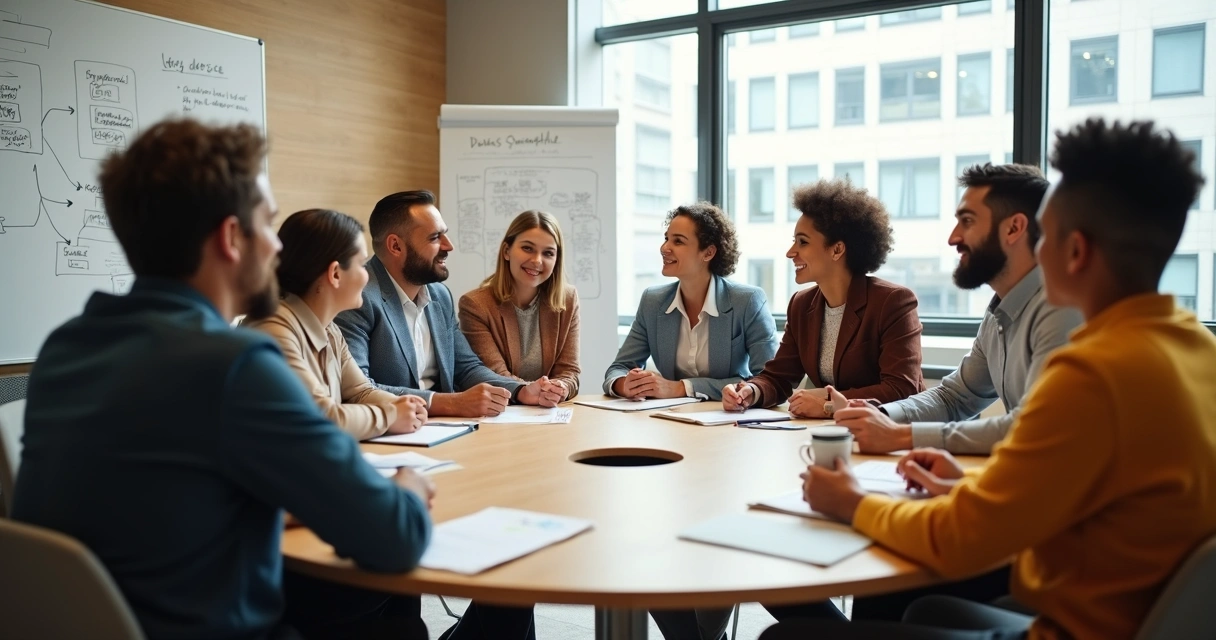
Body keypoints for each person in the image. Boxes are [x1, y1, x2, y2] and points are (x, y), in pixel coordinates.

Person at [766, 118, 1216, 640]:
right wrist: (971, 483)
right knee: (912, 604)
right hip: (1133, 607)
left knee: (788, 637)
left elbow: (961, 538)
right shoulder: (1193, 345)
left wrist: (853, 502)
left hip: (1066, 629)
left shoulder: (1094, 372)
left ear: (1073, 251)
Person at [11, 119, 433, 640]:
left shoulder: (66, 348)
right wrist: (410, 487)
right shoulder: (236, 364)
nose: (280, 251)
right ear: (232, 238)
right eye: (268, 225)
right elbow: (394, 536)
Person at [831, 164, 1082, 457]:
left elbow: (1034, 427)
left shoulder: (1063, 309)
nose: (953, 237)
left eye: (967, 221)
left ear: (1014, 228)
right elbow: (955, 397)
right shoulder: (1000, 312)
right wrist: (881, 415)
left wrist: (902, 436)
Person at [335, 190, 565, 418]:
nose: (449, 245)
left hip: (441, 431)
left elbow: (466, 368)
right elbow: (358, 390)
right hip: (390, 437)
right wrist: (450, 404)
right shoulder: (356, 297)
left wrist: (523, 391)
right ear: (396, 246)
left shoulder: (439, 295)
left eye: (444, 234)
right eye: (435, 238)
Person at [724, 179, 924, 418]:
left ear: (837, 250)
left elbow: (902, 388)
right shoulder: (802, 304)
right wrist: (751, 390)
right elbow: (779, 377)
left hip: (890, 431)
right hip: (831, 432)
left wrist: (828, 403)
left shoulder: (893, 302)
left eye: (803, 242)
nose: (791, 252)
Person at [246, 208, 429, 441]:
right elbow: (320, 417)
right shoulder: (273, 330)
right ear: (335, 274)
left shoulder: (329, 328)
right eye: (362, 265)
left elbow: (361, 391)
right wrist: (390, 414)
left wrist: (403, 405)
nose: (367, 276)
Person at [604, 202, 777, 402]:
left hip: (728, 420)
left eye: (678, 242)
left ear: (708, 253)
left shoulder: (746, 301)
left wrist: (681, 388)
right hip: (668, 420)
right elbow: (618, 369)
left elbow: (767, 380)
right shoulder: (653, 301)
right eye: (666, 238)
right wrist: (626, 385)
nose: (664, 248)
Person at [459, 210, 581, 401]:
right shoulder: (476, 305)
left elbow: (569, 372)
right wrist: (530, 392)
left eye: (548, 253)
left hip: (549, 411)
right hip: (502, 412)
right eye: (528, 248)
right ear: (506, 251)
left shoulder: (568, 299)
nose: (537, 260)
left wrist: (560, 388)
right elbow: (495, 375)